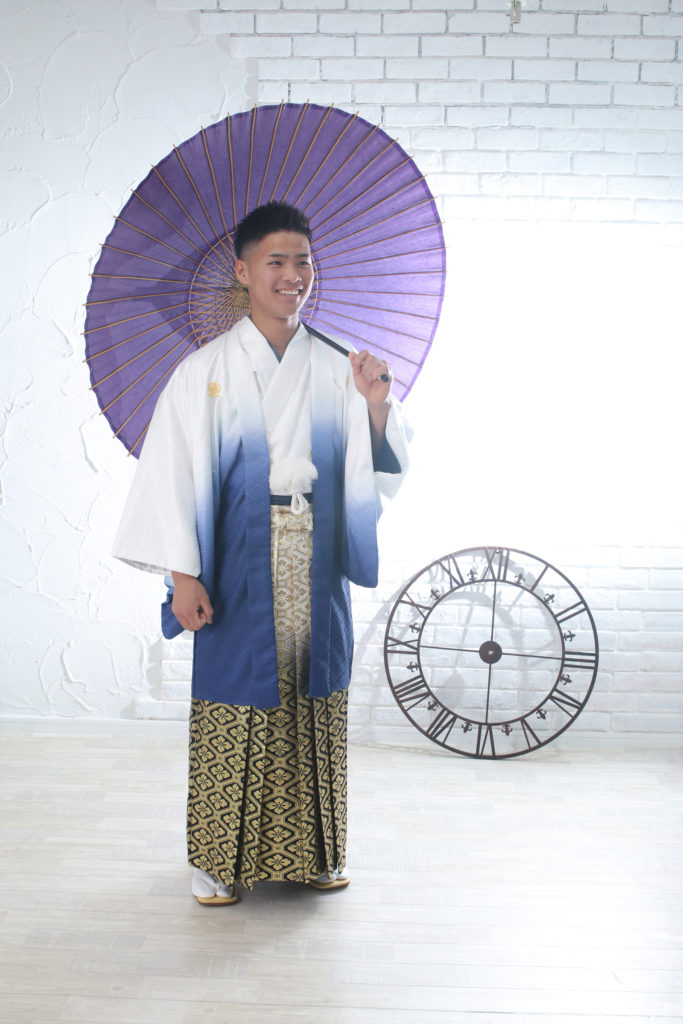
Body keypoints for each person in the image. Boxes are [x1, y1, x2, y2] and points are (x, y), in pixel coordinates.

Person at [113, 201, 410, 905]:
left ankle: (315, 853)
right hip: (237, 556)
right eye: (275, 261)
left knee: (314, 698)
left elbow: (376, 470)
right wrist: (183, 574)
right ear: (243, 272)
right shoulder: (204, 371)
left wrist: (374, 405)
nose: (292, 275)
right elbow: (171, 475)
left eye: (302, 261)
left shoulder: (340, 365)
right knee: (234, 698)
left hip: (315, 554)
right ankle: (219, 859)